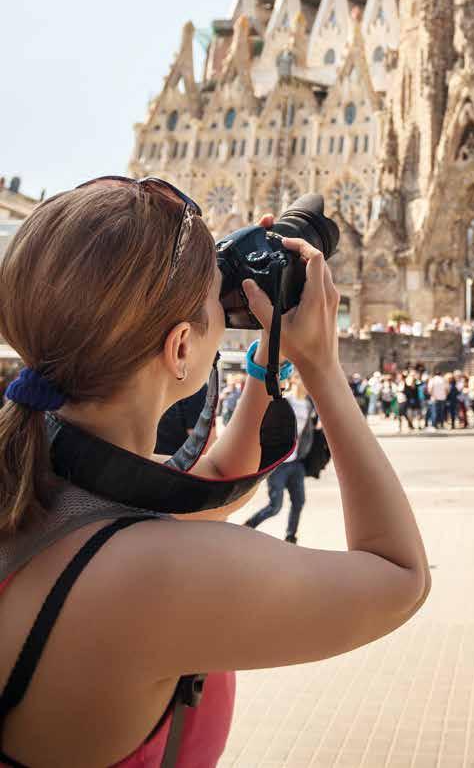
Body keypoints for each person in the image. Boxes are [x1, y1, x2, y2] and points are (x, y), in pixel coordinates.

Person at [0, 179, 429, 767]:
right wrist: (322, 368)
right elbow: (400, 578)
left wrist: (268, 359)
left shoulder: (37, 480)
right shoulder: (157, 577)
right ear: (180, 350)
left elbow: (216, 474)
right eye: (214, 304)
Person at [244, 373, 312, 541]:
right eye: (304, 379)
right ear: (295, 380)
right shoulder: (285, 402)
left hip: (296, 462)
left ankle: (290, 536)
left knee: (299, 502)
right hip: (279, 464)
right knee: (275, 506)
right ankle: (248, 526)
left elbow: (308, 431)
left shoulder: (309, 405)